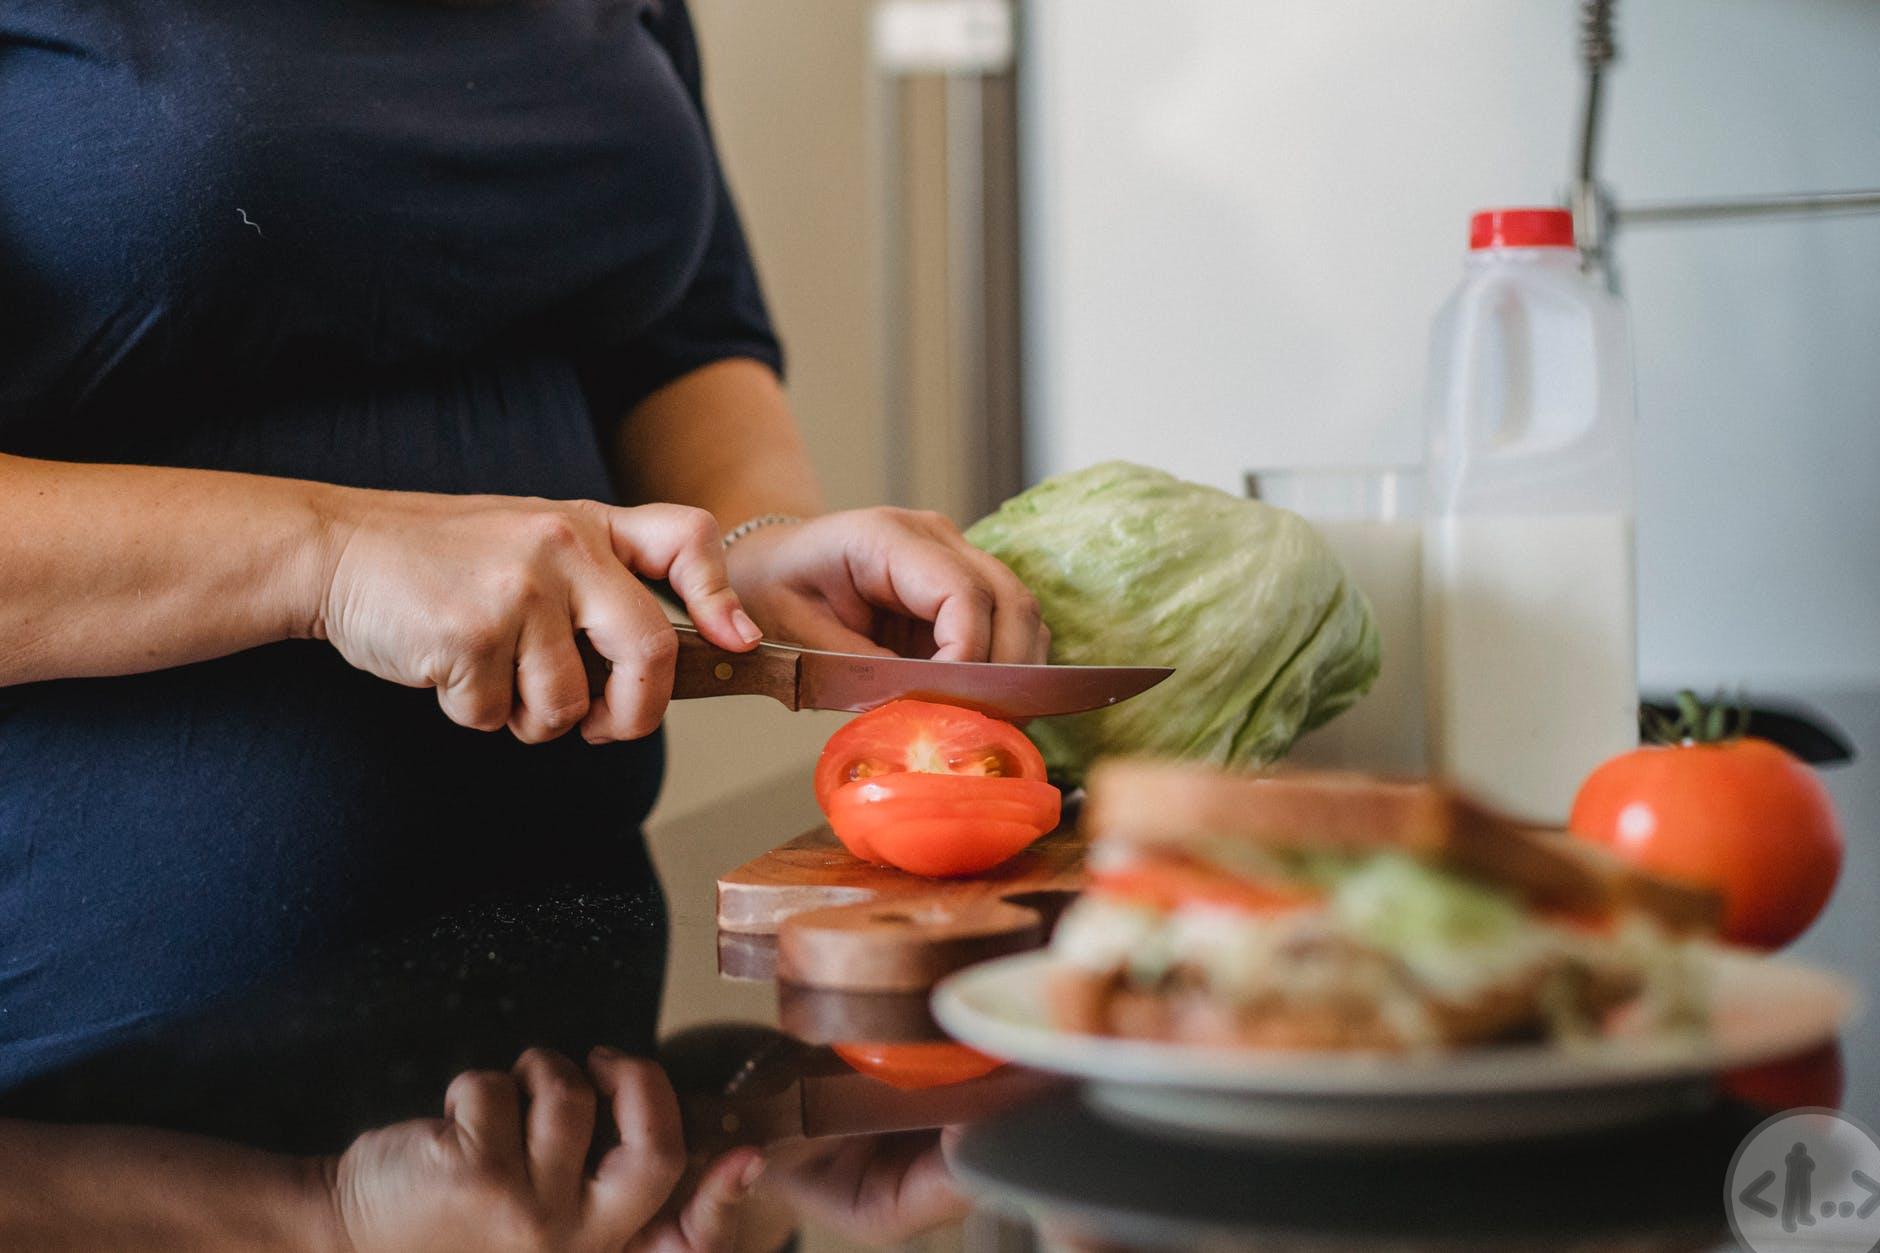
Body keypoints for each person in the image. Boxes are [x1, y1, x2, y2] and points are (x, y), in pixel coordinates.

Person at [0, 0, 1040, 1244]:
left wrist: (756, 548)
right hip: (110, 1077)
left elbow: (674, 335)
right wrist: (333, 553)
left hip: (568, 1038)